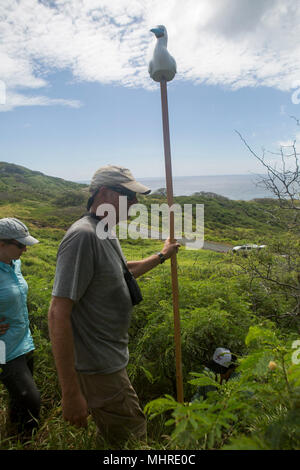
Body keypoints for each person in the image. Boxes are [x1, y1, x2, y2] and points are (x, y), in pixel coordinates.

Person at [48, 165, 180, 446]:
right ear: (105, 193)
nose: (134, 203)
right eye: (128, 195)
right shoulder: (82, 236)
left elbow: (122, 272)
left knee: (113, 438)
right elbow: (58, 312)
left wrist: (162, 255)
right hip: (98, 369)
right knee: (132, 439)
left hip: (108, 362)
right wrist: (70, 393)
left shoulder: (104, 230)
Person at [0, 218, 41, 435]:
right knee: (30, 400)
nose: (25, 249)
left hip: (24, 341)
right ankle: (29, 442)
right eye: (20, 244)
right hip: (4, 348)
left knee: (19, 401)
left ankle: (13, 437)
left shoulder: (15, 264)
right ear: (1, 244)